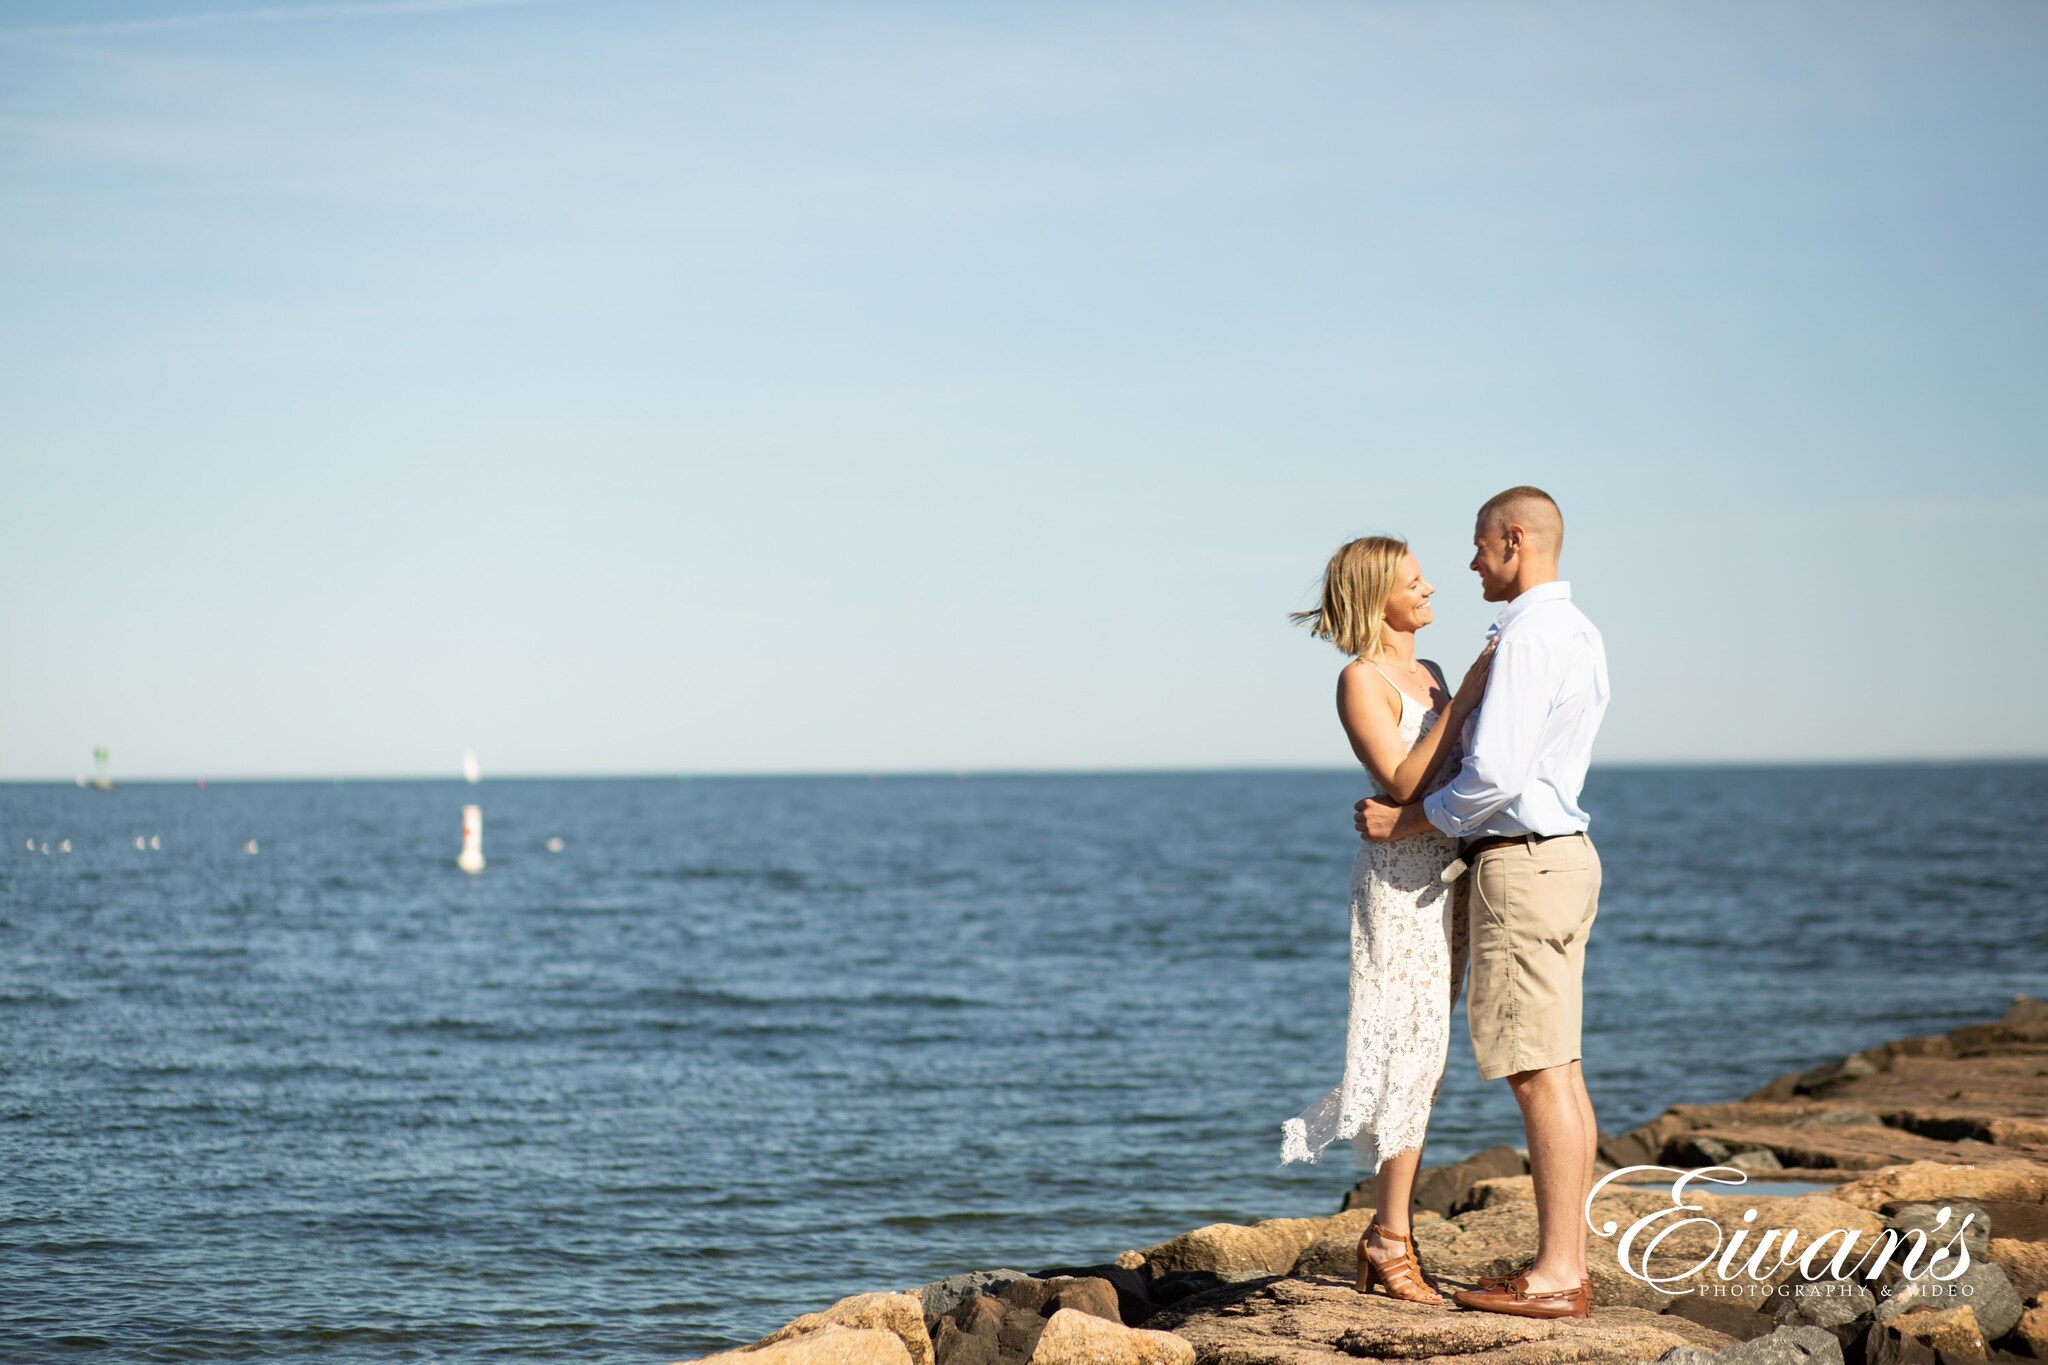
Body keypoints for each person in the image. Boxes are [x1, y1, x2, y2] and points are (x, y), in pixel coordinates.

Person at [1356, 486, 1610, 1321]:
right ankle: (1562, 1264)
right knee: (1559, 1069)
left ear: (1513, 540)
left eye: (1475, 547)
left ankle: (1556, 1274)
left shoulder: (1531, 636)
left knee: (1539, 1073)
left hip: (1522, 864)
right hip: (1561, 857)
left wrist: (1409, 820)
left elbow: (1495, 777)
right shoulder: (1576, 630)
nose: (1467, 566)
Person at [1280, 534, 1495, 1306]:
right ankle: (1389, 1238)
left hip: (1451, 875)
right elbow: (1402, 776)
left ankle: (1389, 1233)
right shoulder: (1360, 678)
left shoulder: (1430, 671)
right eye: (1414, 579)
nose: (1431, 586)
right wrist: (1466, 697)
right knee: (1409, 1053)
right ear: (1379, 597)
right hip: (1399, 883)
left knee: (1428, 1057)